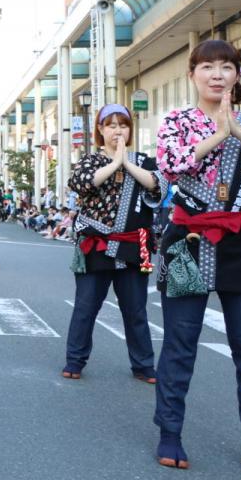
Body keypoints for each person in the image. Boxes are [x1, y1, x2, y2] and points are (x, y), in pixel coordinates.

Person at [154, 39, 241, 476]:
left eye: (226, 66)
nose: (216, 74)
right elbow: (170, 165)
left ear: (238, 75)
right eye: (207, 67)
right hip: (189, 241)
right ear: (192, 75)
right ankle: (169, 432)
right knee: (180, 344)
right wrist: (218, 135)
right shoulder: (176, 121)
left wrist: (239, 133)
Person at [63, 103, 161, 384]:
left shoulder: (143, 160)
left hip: (133, 246)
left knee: (136, 310)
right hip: (96, 244)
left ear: (130, 129)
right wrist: (114, 164)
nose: (117, 130)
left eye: (123, 125)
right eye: (111, 125)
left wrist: (126, 162)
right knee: (86, 307)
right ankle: (75, 360)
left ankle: (143, 365)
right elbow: (81, 183)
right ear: (100, 129)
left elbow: (157, 186)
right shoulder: (91, 160)